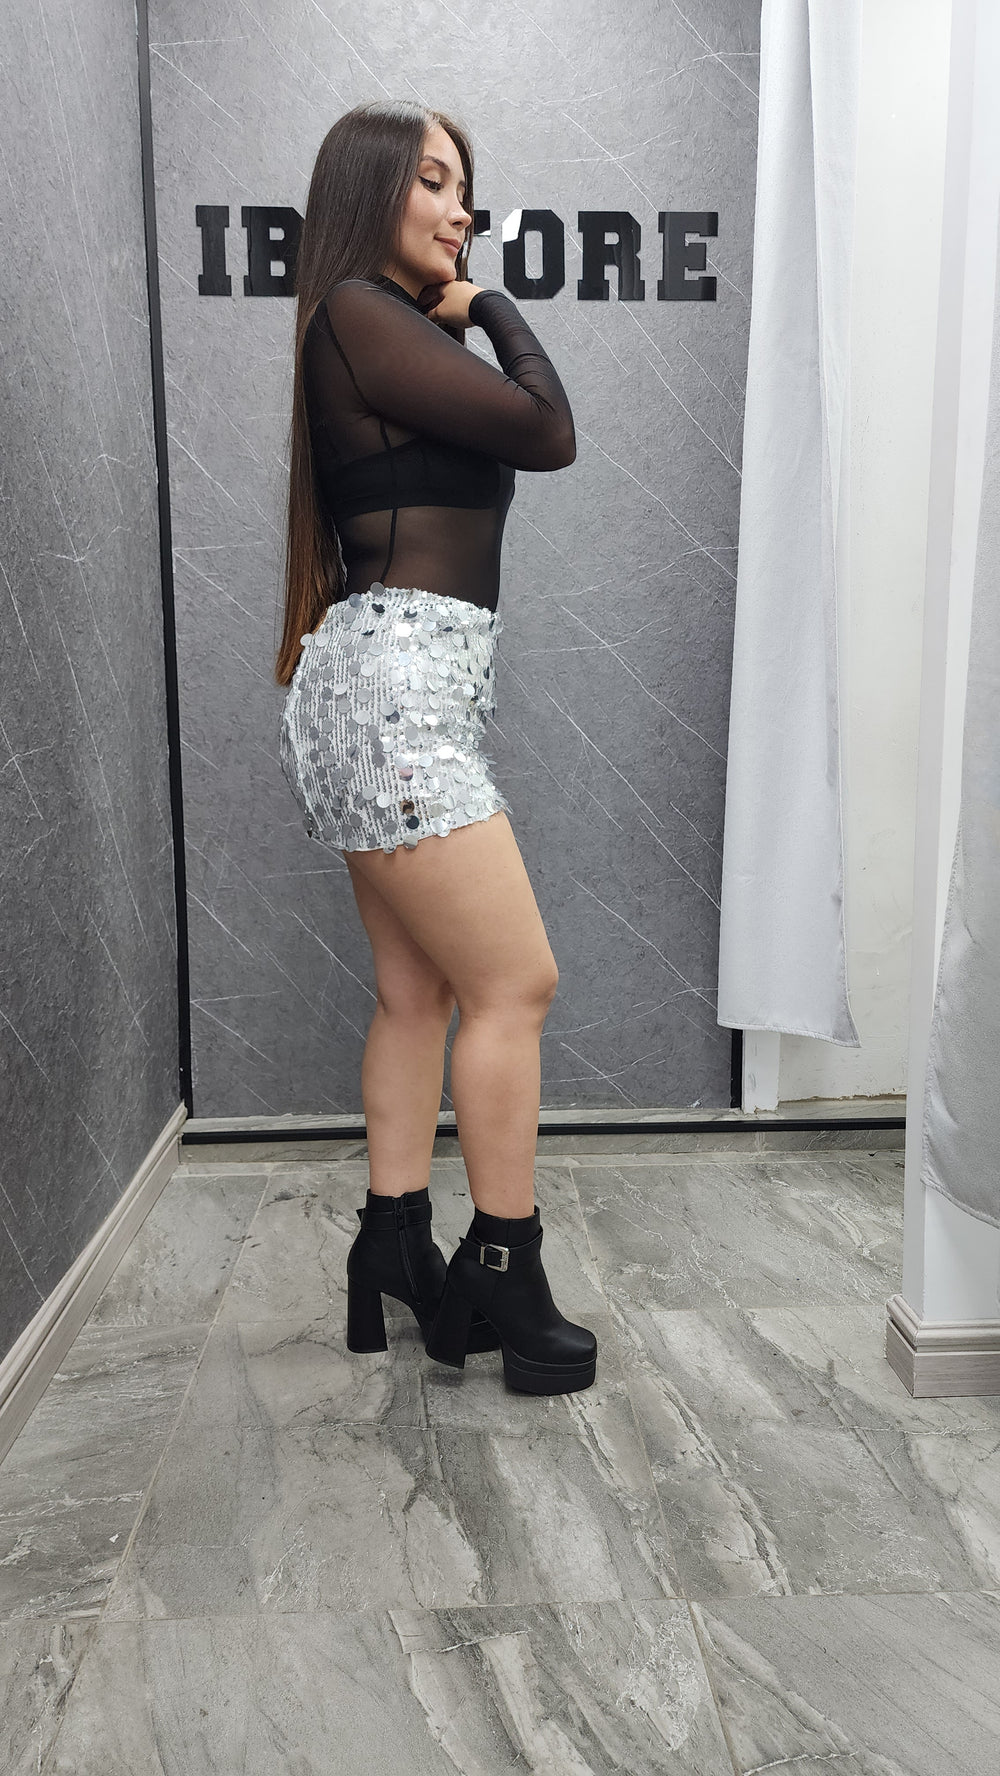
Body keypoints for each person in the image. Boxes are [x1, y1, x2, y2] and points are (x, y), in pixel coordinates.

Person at [276, 100, 596, 1397]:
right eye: (433, 182)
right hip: (395, 695)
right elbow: (547, 429)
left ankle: (393, 1239)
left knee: (418, 993)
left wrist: (457, 307)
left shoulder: (372, 326)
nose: (461, 210)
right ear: (371, 190)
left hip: (393, 691)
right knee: (517, 984)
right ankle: (503, 1270)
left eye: (466, 188)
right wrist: (491, 306)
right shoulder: (361, 310)